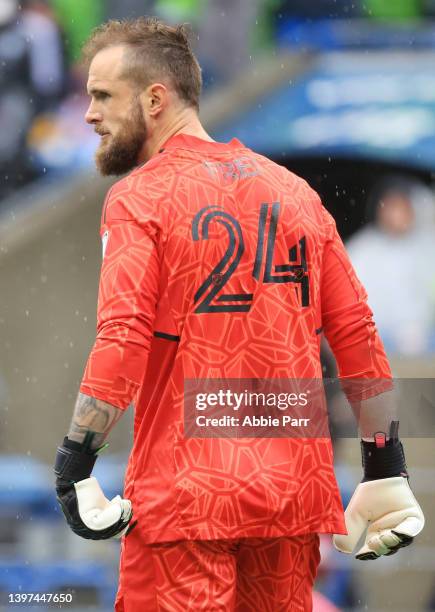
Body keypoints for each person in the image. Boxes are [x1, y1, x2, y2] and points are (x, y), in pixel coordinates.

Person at [53, 17, 424, 611]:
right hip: (291, 501)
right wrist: (386, 463)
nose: (90, 114)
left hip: (186, 498)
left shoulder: (139, 198)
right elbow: (356, 334)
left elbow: (123, 336)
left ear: (154, 99)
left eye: (101, 95)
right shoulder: (296, 193)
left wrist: (75, 458)